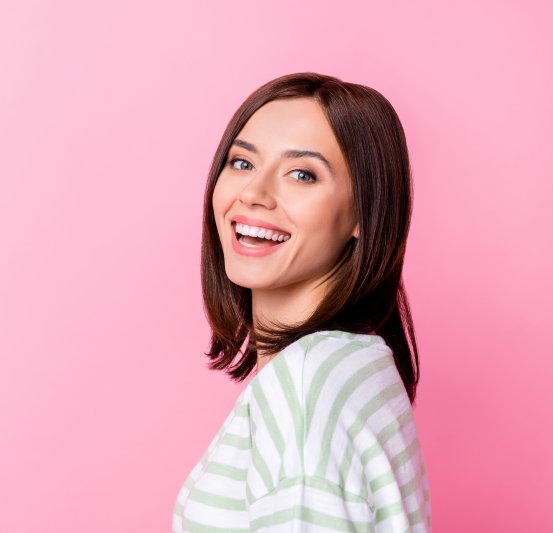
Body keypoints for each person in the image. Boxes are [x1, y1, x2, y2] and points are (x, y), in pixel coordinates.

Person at [172, 72, 431, 532]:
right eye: (242, 163)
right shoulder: (354, 365)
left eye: (302, 174)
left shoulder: (308, 387)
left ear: (363, 214)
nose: (252, 194)